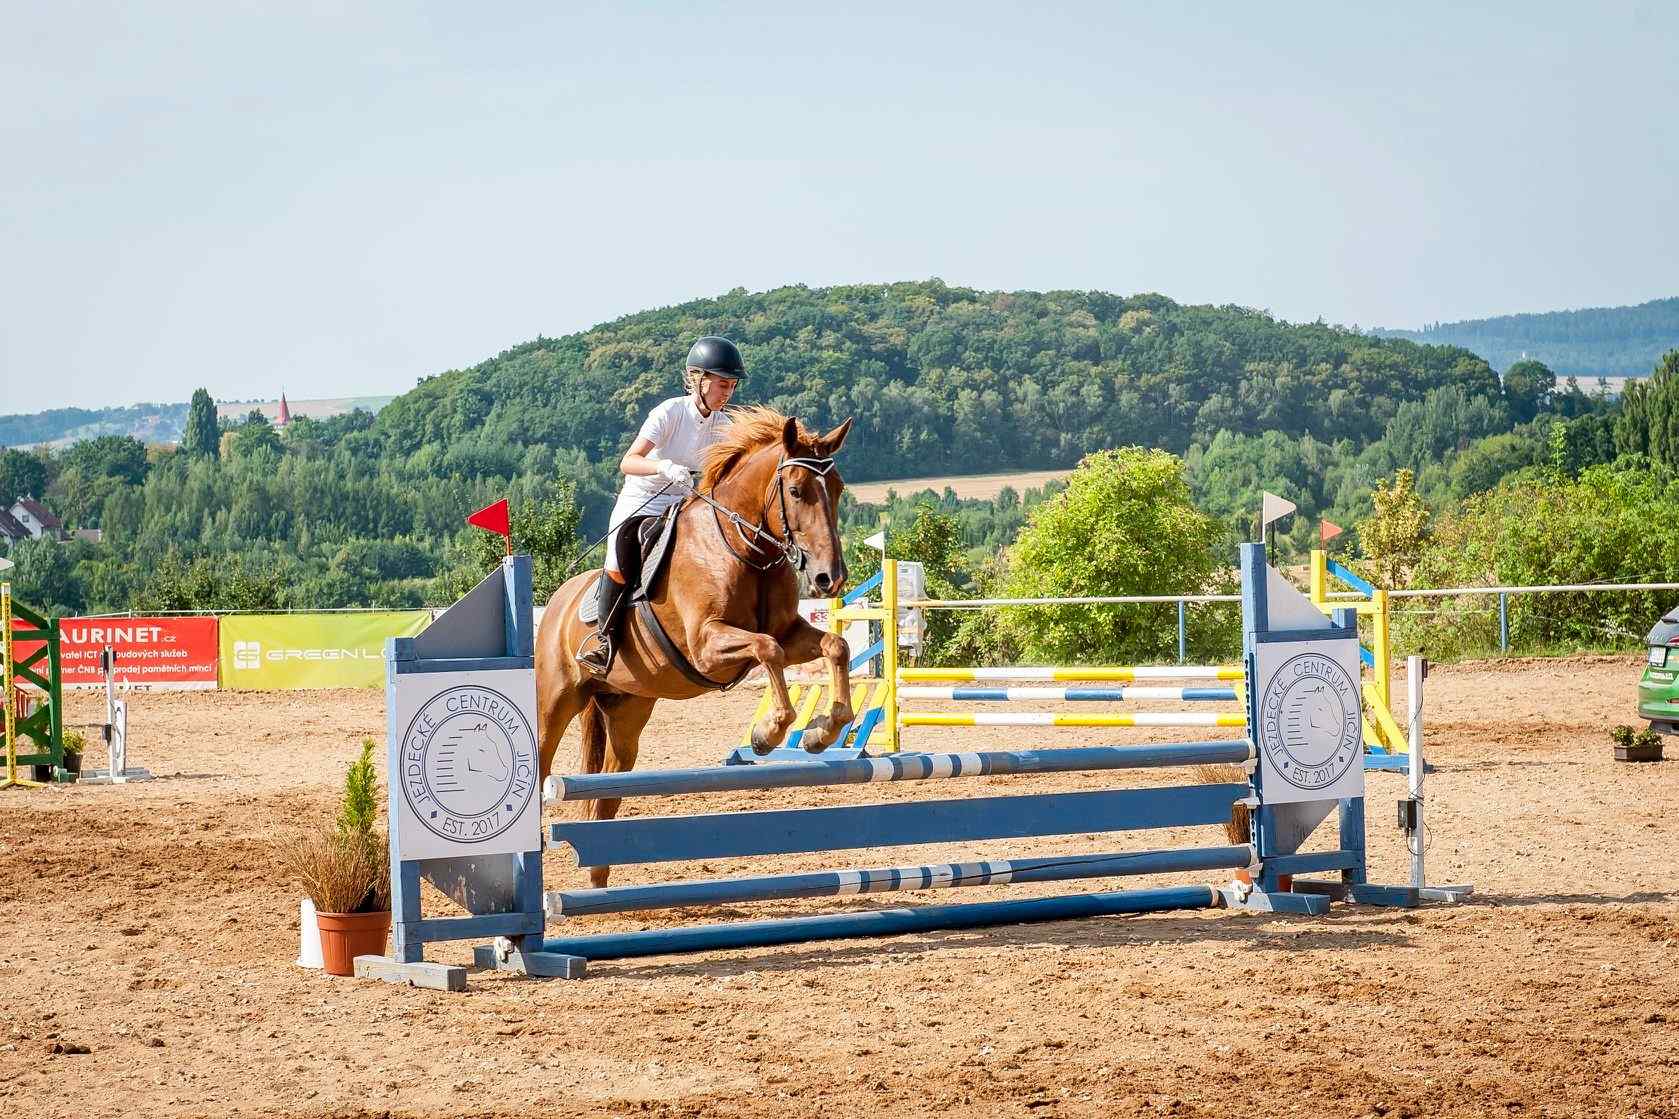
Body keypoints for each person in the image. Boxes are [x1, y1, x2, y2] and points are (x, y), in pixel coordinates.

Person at [575, 335, 746, 675]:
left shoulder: (724, 426)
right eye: (722, 385)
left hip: (684, 502)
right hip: (642, 500)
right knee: (621, 553)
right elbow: (628, 461)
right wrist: (663, 466)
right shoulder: (669, 413)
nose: (727, 393)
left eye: (732, 386)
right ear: (698, 380)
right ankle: (603, 640)